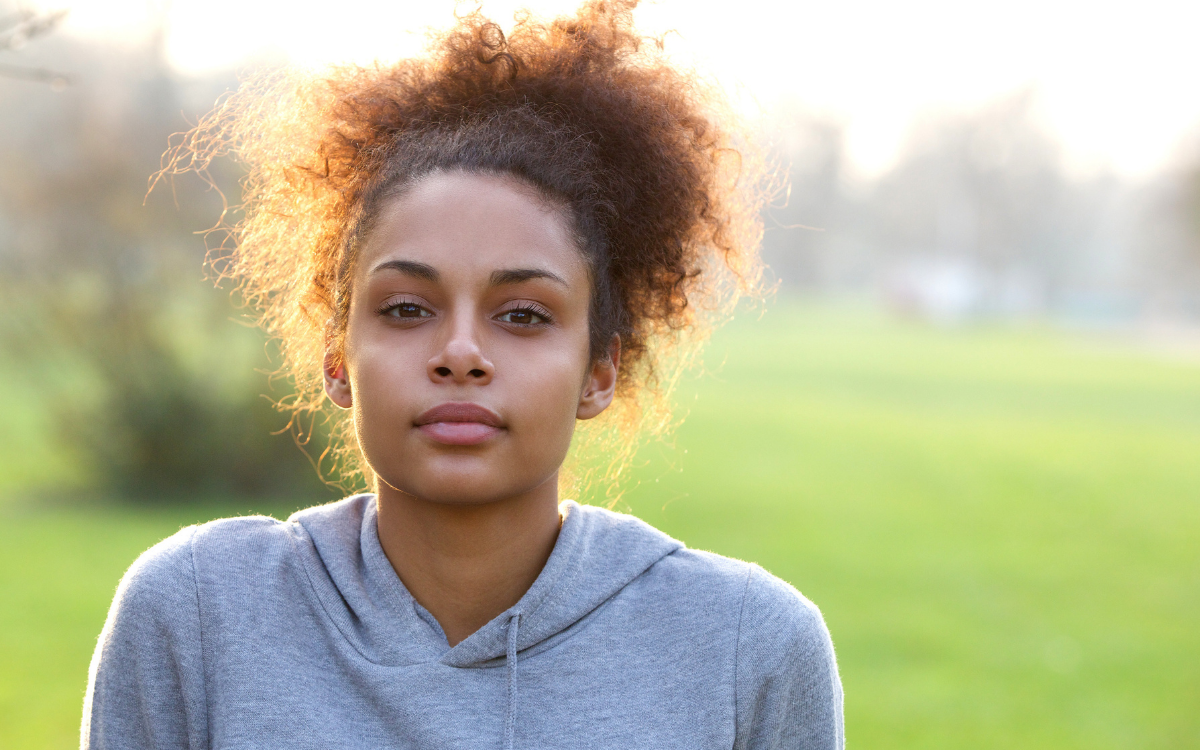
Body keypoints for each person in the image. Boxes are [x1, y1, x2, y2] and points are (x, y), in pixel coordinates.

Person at [81, 1, 844, 747]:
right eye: (408, 309)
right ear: (337, 357)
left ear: (600, 370)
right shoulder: (195, 613)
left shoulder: (748, 648)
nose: (460, 352)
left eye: (522, 315)